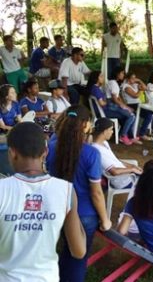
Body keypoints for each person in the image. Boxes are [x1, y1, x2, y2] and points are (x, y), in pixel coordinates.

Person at [0, 122, 86, 282]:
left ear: (12, 153)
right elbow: (79, 251)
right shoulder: (66, 190)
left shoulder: (2, 189)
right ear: (45, 152)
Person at [46, 105, 112, 282]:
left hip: (57, 209)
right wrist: (105, 219)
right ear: (85, 125)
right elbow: (96, 193)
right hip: (84, 214)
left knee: (63, 249)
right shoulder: (91, 153)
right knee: (77, 258)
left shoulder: (51, 146)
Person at [88, 70, 137, 145]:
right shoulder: (96, 89)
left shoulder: (95, 88)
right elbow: (102, 103)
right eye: (101, 76)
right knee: (130, 115)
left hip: (103, 110)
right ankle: (123, 136)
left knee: (128, 115)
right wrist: (108, 101)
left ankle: (125, 135)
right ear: (96, 78)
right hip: (104, 111)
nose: (103, 78)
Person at [122, 72, 153, 141]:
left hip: (138, 104)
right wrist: (139, 90)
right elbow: (135, 96)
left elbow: (145, 88)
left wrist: (139, 81)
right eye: (132, 78)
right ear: (127, 79)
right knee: (148, 114)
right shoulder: (126, 86)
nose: (134, 79)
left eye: (134, 78)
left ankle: (142, 133)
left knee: (149, 114)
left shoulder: (135, 84)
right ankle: (142, 134)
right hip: (131, 105)